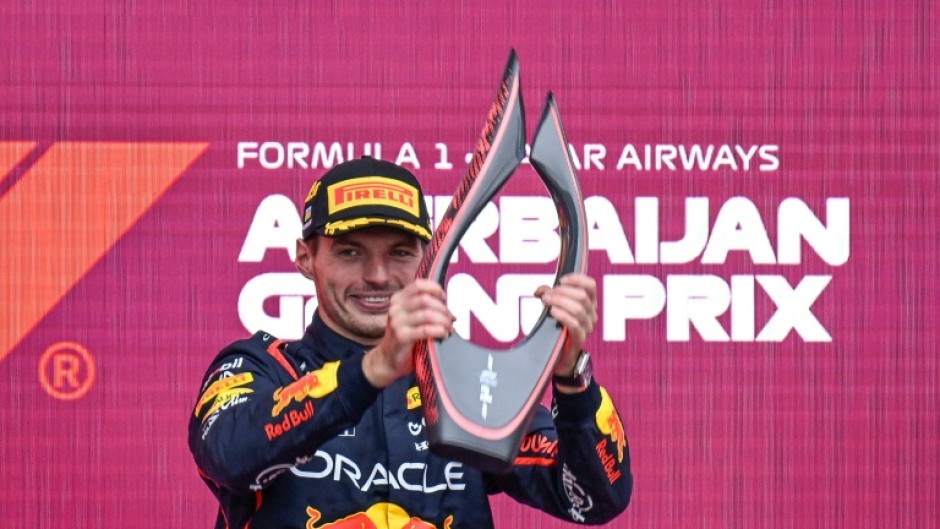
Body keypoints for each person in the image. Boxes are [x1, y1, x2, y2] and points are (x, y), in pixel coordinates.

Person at [189, 157, 633, 528]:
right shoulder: (260, 367)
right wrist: (371, 371)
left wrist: (573, 377)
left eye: (400, 252)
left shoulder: (462, 386)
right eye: (350, 252)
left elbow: (593, 498)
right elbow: (228, 456)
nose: (378, 275)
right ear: (306, 258)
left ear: (427, 258)